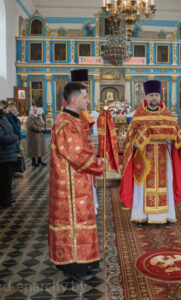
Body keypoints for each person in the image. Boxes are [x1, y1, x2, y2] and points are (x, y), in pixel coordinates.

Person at [48, 82, 104, 281]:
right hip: (70, 186)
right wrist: (100, 165)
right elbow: (76, 153)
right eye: (85, 97)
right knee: (75, 222)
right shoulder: (65, 123)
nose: (88, 100)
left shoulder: (73, 119)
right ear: (74, 99)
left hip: (79, 181)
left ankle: (86, 261)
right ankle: (75, 266)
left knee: (84, 220)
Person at [119, 80, 181, 225]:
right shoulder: (138, 116)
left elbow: (178, 137)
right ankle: (141, 216)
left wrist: (171, 137)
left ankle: (165, 215)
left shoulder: (167, 116)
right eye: (151, 95)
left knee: (166, 184)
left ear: (160, 97)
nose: (154, 98)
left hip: (163, 154)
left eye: (156, 95)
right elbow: (130, 138)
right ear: (145, 97)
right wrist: (140, 139)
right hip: (143, 157)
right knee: (142, 185)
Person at [0, 100, 18, 208]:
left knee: (8, 179)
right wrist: (14, 138)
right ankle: (5, 200)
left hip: (9, 154)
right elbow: (1, 138)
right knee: (4, 179)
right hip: (3, 155)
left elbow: (11, 131)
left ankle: (7, 197)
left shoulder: (4, 118)